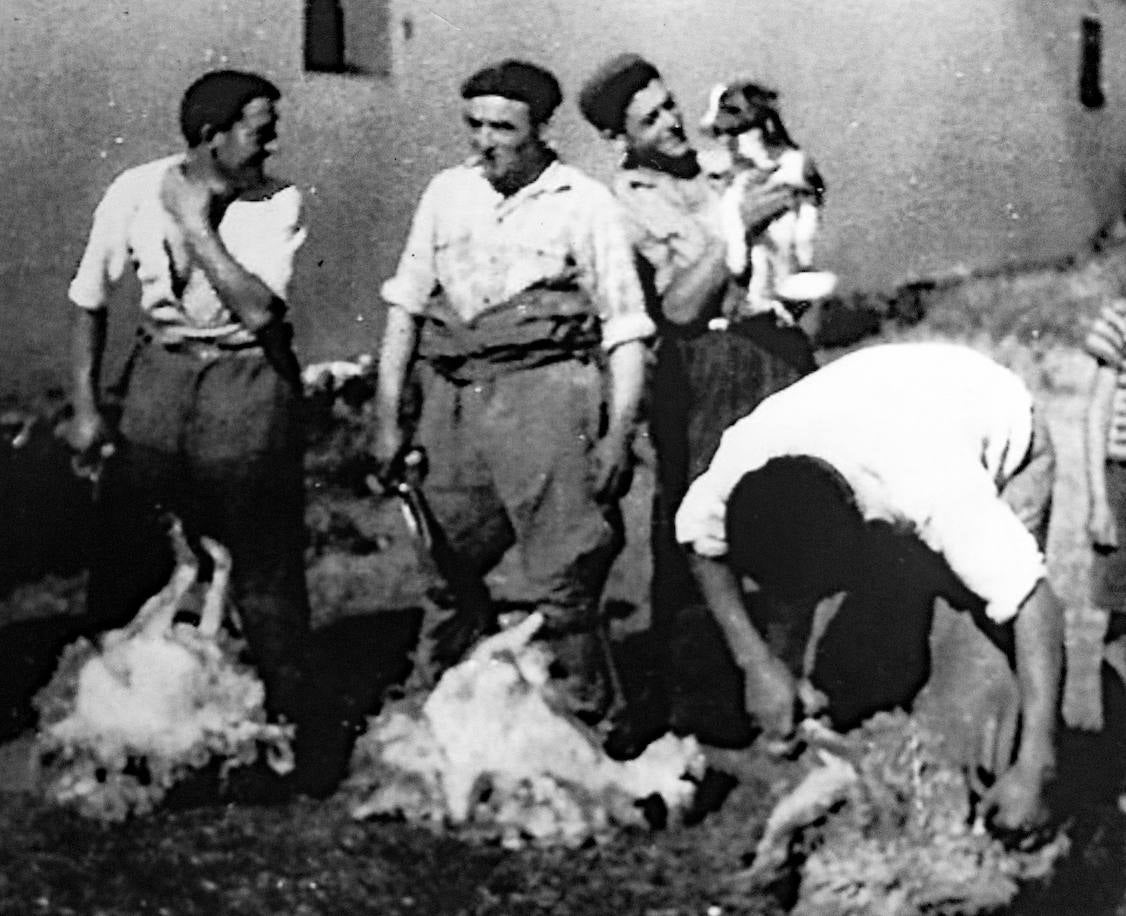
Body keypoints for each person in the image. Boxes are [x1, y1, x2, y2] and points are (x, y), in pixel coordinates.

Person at [676, 341, 1063, 835]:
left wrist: (1036, 763)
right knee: (858, 679)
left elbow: (1032, 600)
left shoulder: (934, 483)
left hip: (993, 425)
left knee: (982, 687)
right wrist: (758, 663)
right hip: (884, 414)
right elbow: (695, 538)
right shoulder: (742, 459)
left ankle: (1000, 807)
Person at [371, 59, 656, 722]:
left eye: (504, 126)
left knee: (565, 572)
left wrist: (618, 435)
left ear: (540, 128)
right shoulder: (447, 192)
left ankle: (587, 719)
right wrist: (389, 419)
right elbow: (406, 306)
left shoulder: (583, 203)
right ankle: (438, 713)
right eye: (474, 124)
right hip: (455, 399)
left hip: (549, 399)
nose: (485, 140)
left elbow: (625, 328)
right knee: (445, 562)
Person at [577, 54, 817, 752]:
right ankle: (701, 706)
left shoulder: (721, 165)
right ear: (620, 136)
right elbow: (677, 305)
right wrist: (732, 226)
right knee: (700, 526)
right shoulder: (623, 203)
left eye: (671, 103)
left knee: (787, 516)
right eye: (650, 117)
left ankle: (782, 690)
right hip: (704, 368)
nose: (673, 121)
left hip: (776, 351)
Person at [63, 69, 312, 725]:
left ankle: (282, 719)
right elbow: (89, 299)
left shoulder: (277, 201)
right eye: (260, 133)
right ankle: (109, 708)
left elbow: (258, 311)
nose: (270, 147)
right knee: (130, 536)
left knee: (261, 553)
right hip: (160, 372)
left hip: (248, 376)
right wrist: (87, 408)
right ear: (212, 136)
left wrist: (194, 223)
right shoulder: (133, 190)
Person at [1083, 296, 1126, 707]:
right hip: (1123, 481)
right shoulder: (1119, 317)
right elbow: (1097, 411)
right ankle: (1116, 751)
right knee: (1121, 617)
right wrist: (1100, 501)